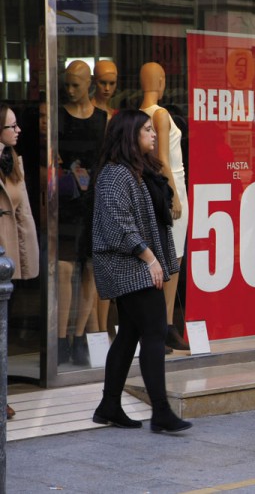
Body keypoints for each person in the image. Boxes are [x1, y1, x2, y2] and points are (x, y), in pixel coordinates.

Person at [90, 109, 191, 433]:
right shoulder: (116, 174)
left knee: (131, 334)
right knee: (155, 331)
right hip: (128, 264)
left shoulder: (136, 170)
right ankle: (160, 411)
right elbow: (118, 225)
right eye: (147, 129)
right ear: (131, 135)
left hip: (136, 262)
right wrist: (150, 259)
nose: (153, 134)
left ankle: (108, 405)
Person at [57, 60, 107, 366]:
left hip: (94, 201)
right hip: (66, 200)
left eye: (76, 84)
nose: (71, 89)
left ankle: (79, 339)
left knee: (90, 269)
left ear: (88, 83)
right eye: (67, 84)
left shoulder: (104, 119)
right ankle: (61, 338)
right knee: (64, 270)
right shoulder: (58, 117)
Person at [140, 62, 190, 351]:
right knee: (173, 258)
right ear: (159, 80)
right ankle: (164, 325)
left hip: (164, 188)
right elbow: (163, 160)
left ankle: (166, 324)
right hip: (171, 187)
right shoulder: (159, 114)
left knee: (169, 258)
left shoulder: (139, 115)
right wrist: (174, 195)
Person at [1, 103, 40, 420]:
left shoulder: (13, 161)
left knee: (5, 328)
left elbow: (23, 214)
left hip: (8, 259)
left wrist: (27, 260)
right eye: (11, 126)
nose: (18, 131)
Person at [91, 60, 119, 338]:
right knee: (96, 263)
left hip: (110, 190)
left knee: (110, 262)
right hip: (92, 191)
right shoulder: (91, 115)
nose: (108, 88)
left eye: (112, 82)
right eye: (103, 82)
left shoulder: (116, 115)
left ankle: (105, 330)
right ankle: (97, 331)